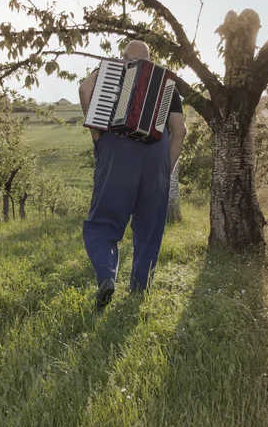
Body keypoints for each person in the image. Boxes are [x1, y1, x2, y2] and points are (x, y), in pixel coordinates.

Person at [79, 40, 187, 309]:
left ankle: (106, 275)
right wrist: (166, 169)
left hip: (117, 148)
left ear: (124, 56)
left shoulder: (112, 69)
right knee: (149, 228)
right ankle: (140, 290)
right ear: (151, 59)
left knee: (103, 221)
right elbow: (180, 131)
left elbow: (85, 89)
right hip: (156, 152)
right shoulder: (165, 82)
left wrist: (96, 135)